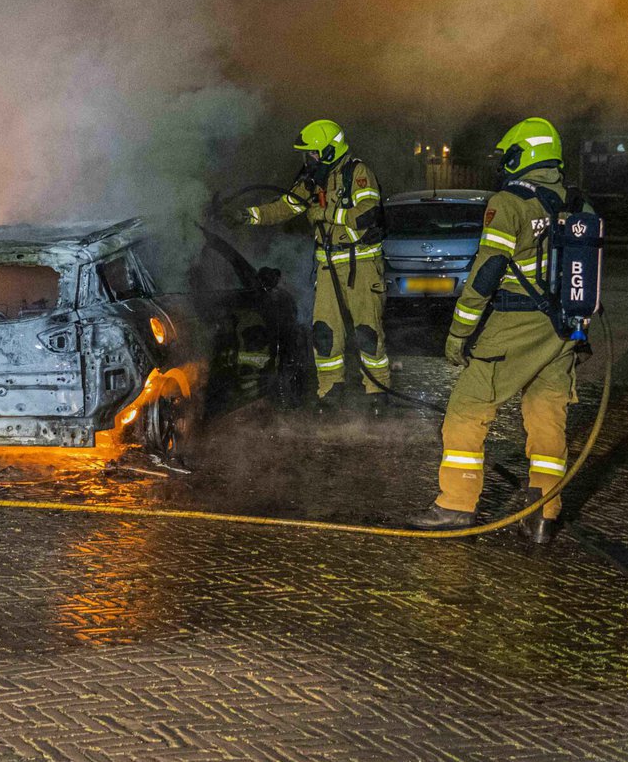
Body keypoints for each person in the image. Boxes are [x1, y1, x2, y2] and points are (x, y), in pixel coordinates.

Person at [408, 117, 590, 543]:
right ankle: (544, 515)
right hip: (562, 331)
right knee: (547, 421)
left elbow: (487, 272)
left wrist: (458, 334)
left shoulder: (509, 203)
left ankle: (455, 505)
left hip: (513, 328)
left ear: (519, 156)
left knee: (466, 412)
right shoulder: (578, 204)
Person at [240, 119, 389, 407]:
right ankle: (330, 392)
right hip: (327, 267)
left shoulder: (357, 173)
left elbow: (368, 214)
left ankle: (377, 393)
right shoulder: (314, 180)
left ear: (330, 151)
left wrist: (326, 214)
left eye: (313, 153)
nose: (308, 159)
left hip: (362, 266)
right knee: (324, 333)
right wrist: (249, 216)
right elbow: (286, 206)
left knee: (366, 333)